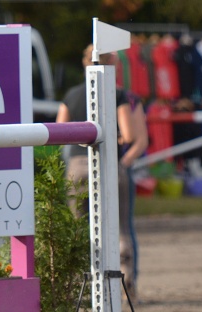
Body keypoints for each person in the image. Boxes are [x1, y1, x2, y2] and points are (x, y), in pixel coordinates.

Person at [56, 44, 148, 305]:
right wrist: (121, 153)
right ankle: (127, 287)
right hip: (108, 165)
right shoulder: (118, 94)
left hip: (76, 167)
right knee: (122, 228)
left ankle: (79, 288)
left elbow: (60, 131)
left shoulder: (71, 94)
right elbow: (129, 135)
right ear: (111, 65)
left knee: (78, 229)